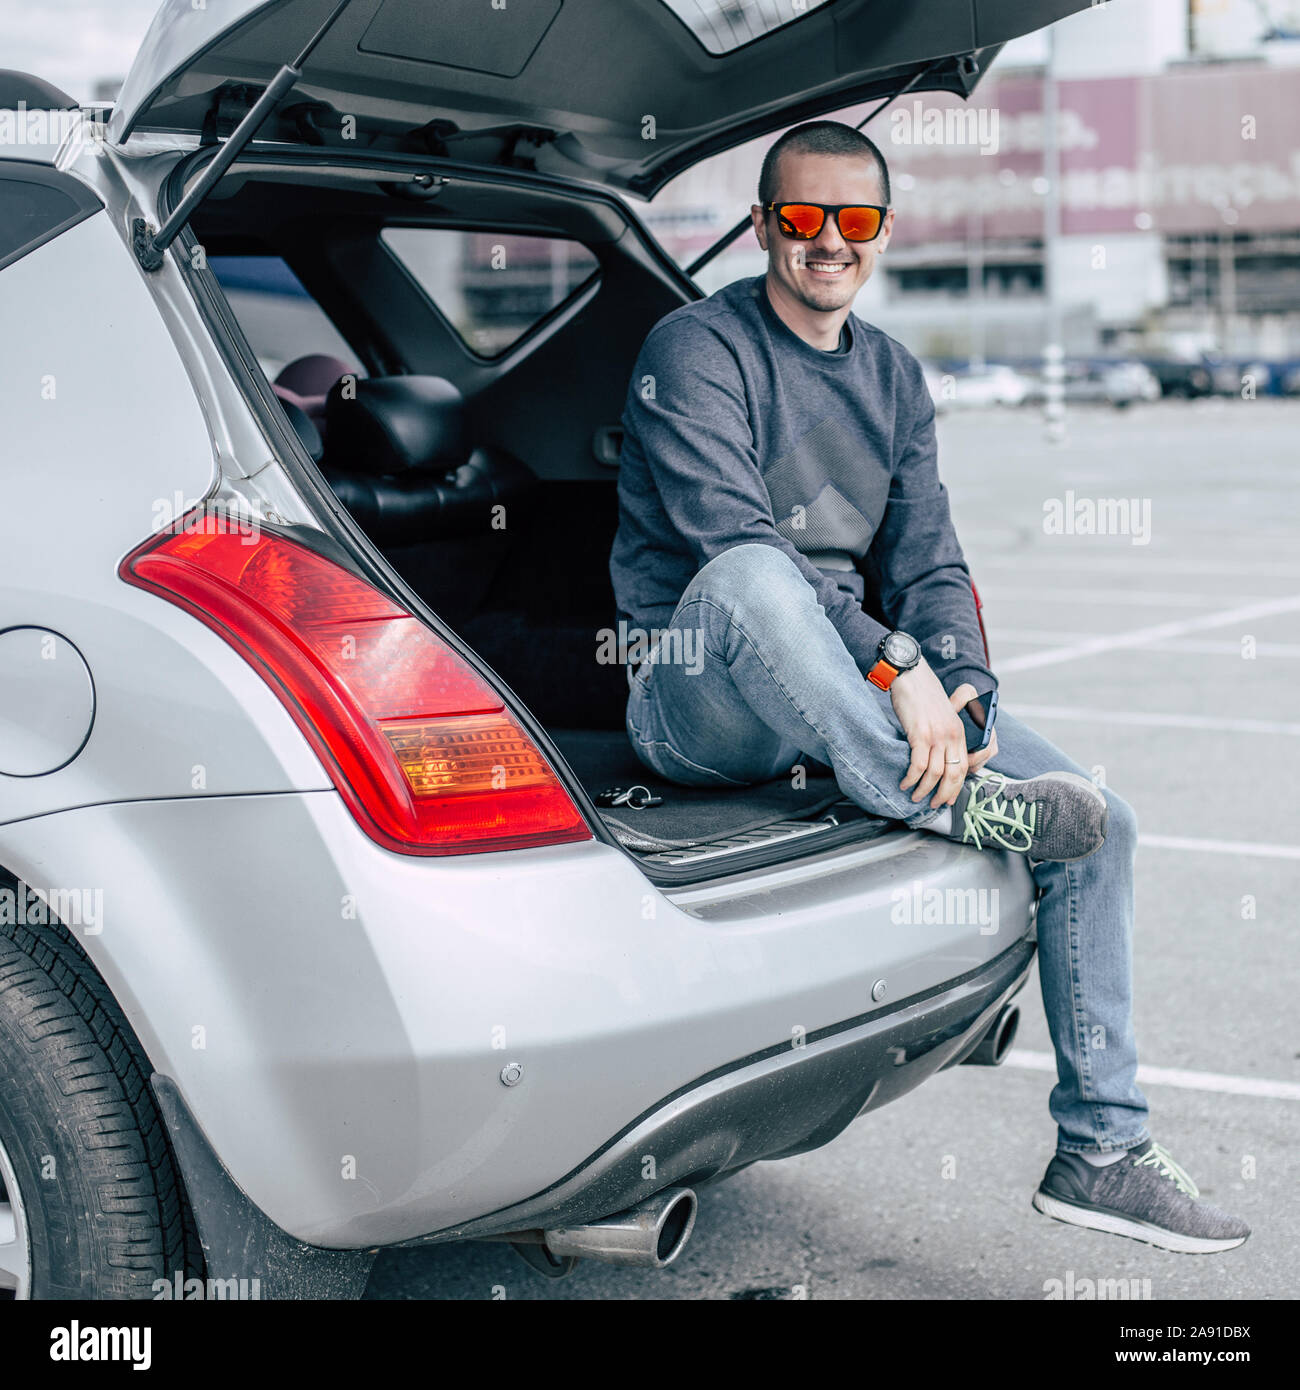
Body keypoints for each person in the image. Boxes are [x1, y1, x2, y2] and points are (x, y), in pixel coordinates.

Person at [609, 120, 1249, 1254]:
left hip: (840, 707)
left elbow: (930, 562)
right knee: (757, 572)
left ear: (882, 233)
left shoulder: (893, 375)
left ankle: (1100, 1148)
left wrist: (959, 689)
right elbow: (735, 538)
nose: (826, 243)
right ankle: (946, 804)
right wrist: (891, 666)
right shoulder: (693, 348)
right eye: (800, 220)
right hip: (698, 700)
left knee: (1100, 826)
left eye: (852, 222)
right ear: (761, 226)